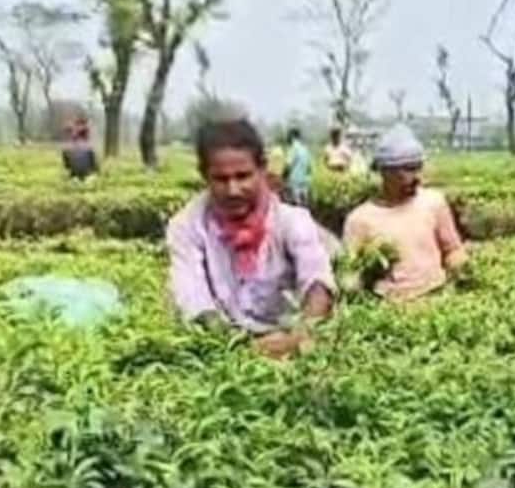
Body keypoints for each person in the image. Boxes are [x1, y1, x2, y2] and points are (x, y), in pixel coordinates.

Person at [166, 118, 336, 357]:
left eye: (243, 176)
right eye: (221, 179)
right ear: (204, 175)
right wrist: (235, 347)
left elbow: (317, 280)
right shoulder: (187, 225)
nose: (233, 190)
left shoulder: (290, 220)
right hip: (224, 341)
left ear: (262, 169)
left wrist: (301, 333)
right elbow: (193, 295)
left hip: (289, 336)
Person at [343, 124, 469, 302]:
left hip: (435, 299)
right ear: (385, 172)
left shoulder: (433, 203)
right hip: (387, 306)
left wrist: (458, 279)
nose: (417, 177)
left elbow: (453, 250)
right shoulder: (360, 220)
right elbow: (350, 274)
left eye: (418, 168)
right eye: (408, 169)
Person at [282, 126, 314, 206]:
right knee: (304, 208)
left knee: (294, 208)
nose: (287, 138)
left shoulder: (293, 148)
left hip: (294, 184)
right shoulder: (305, 149)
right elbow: (310, 168)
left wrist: (283, 177)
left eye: (288, 136)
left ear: (292, 136)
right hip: (305, 184)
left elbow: (288, 165)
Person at [61, 117, 99, 181]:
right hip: (87, 176)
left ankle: (75, 177)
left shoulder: (68, 147)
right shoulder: (89, 147)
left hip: (76, 176)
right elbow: (95, 167)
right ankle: (82, 176)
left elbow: (67, 166)